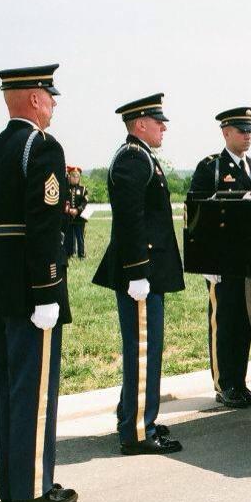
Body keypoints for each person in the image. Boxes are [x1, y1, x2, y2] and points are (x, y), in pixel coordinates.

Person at [0, 64, 77, 502]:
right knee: (33, 388)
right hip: (32, 285)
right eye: (49, 96)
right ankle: (32, 490)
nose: (52, 104)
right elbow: (44, 221)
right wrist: (48, 287)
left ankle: (11, 488)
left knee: (6, 385)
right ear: (33, 98)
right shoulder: (42, 146)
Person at [93, 93, 185, 455]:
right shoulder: (133, 158)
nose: (163, 127)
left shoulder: (140, 156)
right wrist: (137, 273)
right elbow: (130, 221)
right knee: (143, 350)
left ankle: (135, 415)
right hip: (140, 274)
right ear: (140, 124)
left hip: (145, 272)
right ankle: (136, 431)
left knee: (146, 350)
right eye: (158, 121)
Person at [188, 107, 251, 408]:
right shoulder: (211, 168)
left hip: (248, 259)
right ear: (226, 132)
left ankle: (240, 382)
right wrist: (206, 260)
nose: (247, 135)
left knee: (245, 322)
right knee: (224, 320)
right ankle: (224, 384)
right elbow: (198, 216)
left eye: (250, 130)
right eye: (241, 130)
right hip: (222, 260)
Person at [63, 165, 89, 259]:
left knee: (80, 237)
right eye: (73, 176)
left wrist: (78, 210)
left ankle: (81, 254)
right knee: (69, 237)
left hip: (79, 218)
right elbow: (63, 200)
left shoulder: (83, 189)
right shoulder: (65, 189)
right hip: (68, 217)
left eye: (77, 176)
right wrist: (69, 210)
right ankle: (69, 254)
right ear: (69, 176)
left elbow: (85, 201)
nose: (75, 178)